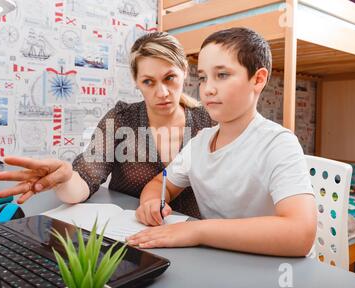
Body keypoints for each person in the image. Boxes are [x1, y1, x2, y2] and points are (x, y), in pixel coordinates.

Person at [128, 27, 317, 257]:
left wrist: (197, 231)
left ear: (258, 79)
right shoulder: (199, 144)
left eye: (222, 75)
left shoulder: (278, 143)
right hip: (224, 260)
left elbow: (301, 233)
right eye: (203, 78)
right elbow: (161, 183)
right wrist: (151, 203)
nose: (208, 89)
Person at [0, 32, 212, 217]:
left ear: (184, 71)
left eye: (169, 78)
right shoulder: (121, 119)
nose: (162, 92)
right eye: (148, 81)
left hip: (195, 240)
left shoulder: (209, 120)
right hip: (134, 235)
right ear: (136, 81)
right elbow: (85, 178)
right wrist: (65, 180)